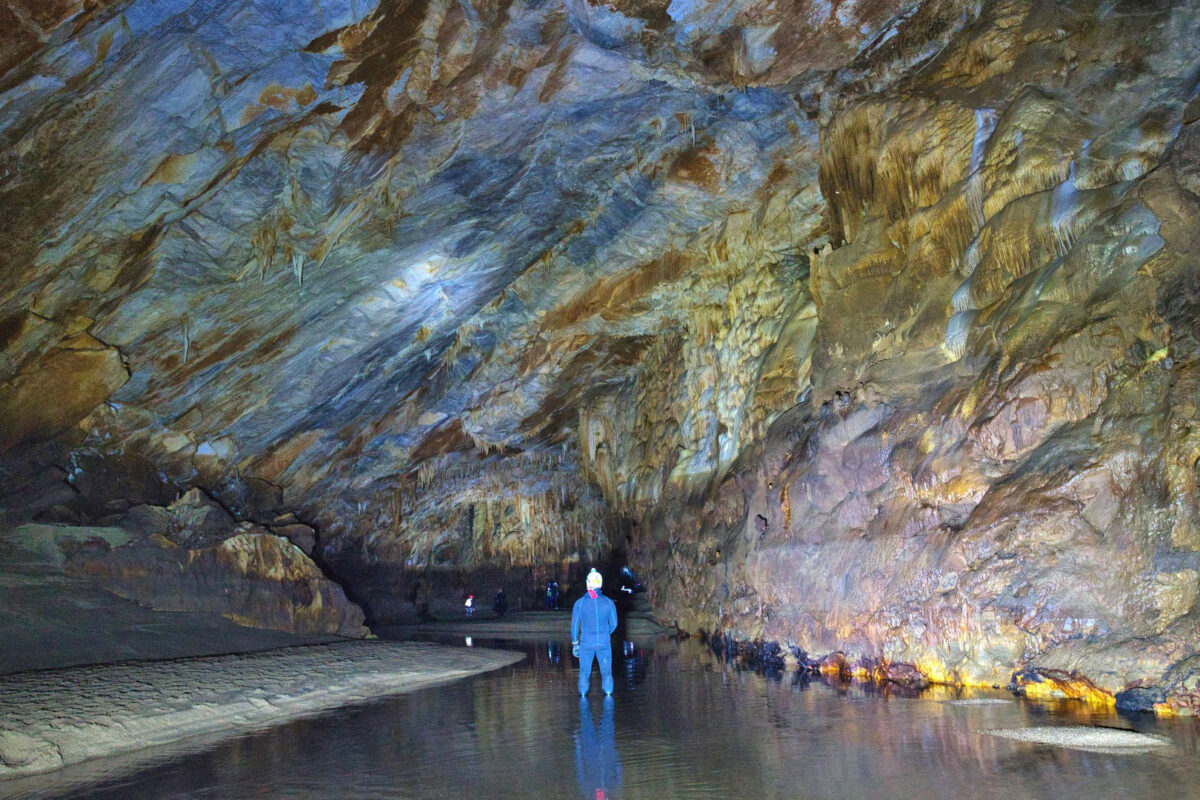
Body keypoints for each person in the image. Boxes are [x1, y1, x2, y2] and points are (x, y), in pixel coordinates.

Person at [571, 568, 618, 696]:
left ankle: (583, 696)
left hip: (586, 644)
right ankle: (608, 695)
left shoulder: (579, 604)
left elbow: (574, 627)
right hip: (604, 643)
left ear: (587, 584)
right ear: (601, 584)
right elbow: (614, 623)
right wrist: (605, 634)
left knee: (584, 673)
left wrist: (575, 643)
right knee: (607, 673)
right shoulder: (609, 603)